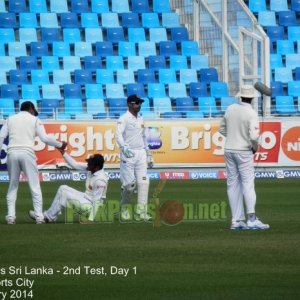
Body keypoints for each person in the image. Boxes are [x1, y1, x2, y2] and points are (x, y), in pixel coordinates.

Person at [0, 101, 67, 224]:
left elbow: (1, 136)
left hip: (12, 152)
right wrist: (60, 144)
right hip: (27, 152)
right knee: (34, 185)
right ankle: (39, 217)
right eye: (33, 110)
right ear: (31, 108)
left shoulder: (10, 119)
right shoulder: (35, 120)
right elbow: (45, 138)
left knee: (12, 186)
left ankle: (10, 217)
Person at [219, 85, 270, 230]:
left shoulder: (230, 108)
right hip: (243, 151)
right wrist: (254, 147)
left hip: (229, 149)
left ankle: (237, 220)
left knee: (233, 184)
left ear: (240, 96)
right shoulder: (251, 113)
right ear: (253, 98)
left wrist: (234, 137)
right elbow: (254, 136)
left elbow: (221, 129)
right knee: (248, 183)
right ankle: (252, 219)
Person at [29, 149, 108, 223]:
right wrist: (63, 153)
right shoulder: (92, 169)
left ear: (96, 167)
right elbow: (75, 165)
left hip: (92, 209)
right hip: (86, 198)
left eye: (90, 163)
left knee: (65, 194)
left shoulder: (100, 180)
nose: (87, 164)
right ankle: (49, 216)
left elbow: (97, 202)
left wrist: (90, 220)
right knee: (63, 188)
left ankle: (47, 217)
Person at [116, 94, 154, 221]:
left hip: (141, 153)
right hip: (128, 153)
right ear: (129, 104)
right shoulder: (124, 118)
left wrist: (149, 154)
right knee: (129, 186)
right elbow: (118, 135)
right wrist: (123, 147)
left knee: (144, 182)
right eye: (137, 103)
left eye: (140, 103)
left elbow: (144, 137)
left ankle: (141, 213)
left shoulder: (141, 119)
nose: (139, 105)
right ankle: (124, 209)